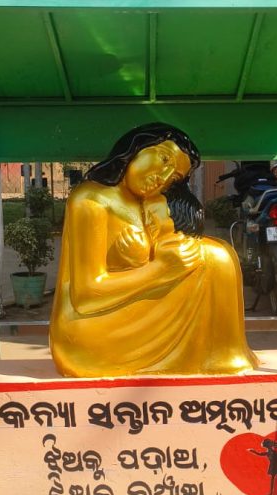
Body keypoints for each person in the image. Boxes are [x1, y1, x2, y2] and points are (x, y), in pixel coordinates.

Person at [50, 123, 258, 377]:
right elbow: (86, 295)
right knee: (213, 259)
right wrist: (159, 270)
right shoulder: (90, 200)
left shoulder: (150, 201)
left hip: (132, 303)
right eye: (164, 158)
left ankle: (222, 354)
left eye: (172, 177)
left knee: (218, 253)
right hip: (87, 329)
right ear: (137, 146)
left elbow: (166, 244)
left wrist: (163, 259)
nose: (163, 175)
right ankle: (220, 355)